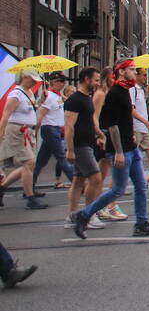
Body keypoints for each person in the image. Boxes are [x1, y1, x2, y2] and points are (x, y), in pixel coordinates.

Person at [71, 60, 149, 238]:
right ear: (121, 72)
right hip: (121, 150)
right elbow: (112, 125)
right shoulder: (114, 93)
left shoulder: (124, 91)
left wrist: (131, 135)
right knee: (118, 189)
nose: (134, 72)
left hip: (131, 147)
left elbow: (124, 119)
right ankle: (83, 215)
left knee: (141, 185)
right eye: (131, 69)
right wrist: (118, 151)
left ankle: (141, 223)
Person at [63, 68, 105, 230]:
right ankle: (88, 215)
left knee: (78, 181)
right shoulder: (75, 100)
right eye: (95, 80)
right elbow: (69, 126)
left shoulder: (86, 98)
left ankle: (72, 216)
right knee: (95, 178)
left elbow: (89, 121)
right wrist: (70, 149)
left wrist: (100, 135)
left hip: (87, 143)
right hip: (80, 146)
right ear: (87, 79)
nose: (97, 83)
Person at [0, 68, 47, 209]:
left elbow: (31, 109)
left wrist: (41, 100)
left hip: (27, 131)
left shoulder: (29, 93)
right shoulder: (15, 94)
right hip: (17, 131)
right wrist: (1, 131)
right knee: (29, 162)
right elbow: (6, 115)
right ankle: (30, 198)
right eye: (32, 80)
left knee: (29, 164)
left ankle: (2, 188)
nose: (34, 83)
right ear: (25, 77)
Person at [32, 73, 75, 190]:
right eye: (60, 81)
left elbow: (66, 102)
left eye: (64, 81)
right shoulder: (50, 96)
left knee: (41, 161)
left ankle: (29, 188)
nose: (63, 84)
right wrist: (34, 133)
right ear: (54, 82)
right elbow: (40, 115)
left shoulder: (56, 96)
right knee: (62, 158)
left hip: (55, 130)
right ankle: (79, 186)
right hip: (50, 129)